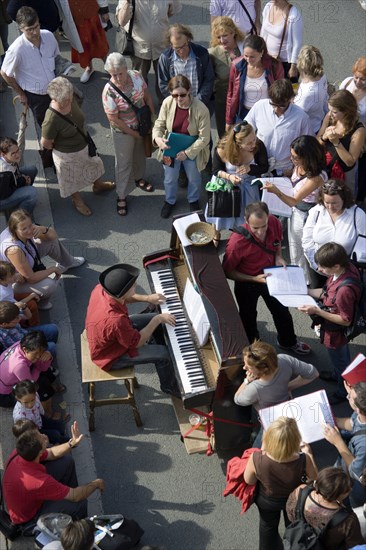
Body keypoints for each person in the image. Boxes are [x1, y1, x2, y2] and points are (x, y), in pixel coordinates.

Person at [222, 201, 311, 355]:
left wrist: (278, 257)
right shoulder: (236, 243)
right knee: (248, 317)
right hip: (247, 282)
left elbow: (276, 243)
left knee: (282, 311)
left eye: (264, 226)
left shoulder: (274, 222)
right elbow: (228, 272)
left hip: (272, 276)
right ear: (246, 220)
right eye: (255, 228)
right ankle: (254, 348)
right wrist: (254, 279)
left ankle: (288, 341)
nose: (261, 232)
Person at [85, 263, 180, 397]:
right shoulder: (116, 321)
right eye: (133, 286)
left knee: (155, 319)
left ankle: (153, 342)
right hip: (110, 356)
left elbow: (124, 297)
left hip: (114, 331)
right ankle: (169, 387)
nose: (136, 285)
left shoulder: (101, 289)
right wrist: (157, 319)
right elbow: (136, 343)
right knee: (163, 355)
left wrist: (147, 298)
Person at [3, 422, 104, 524]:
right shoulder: (39, 481)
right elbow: (76, 496)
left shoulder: (22, 451)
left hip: (27, 498)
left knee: (67, 461)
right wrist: (96, 484)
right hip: (30, 517)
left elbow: (51, 453)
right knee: (80, 502)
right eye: (41, 437)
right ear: (40, 452)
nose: (43, 435)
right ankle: (80, 529)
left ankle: (65, 493)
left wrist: (72, 443)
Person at [298, 242, 362, 405]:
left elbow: (345, 320)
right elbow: (326, 293)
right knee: (340, 360)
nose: (319, 270)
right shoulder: (344, 271)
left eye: (323, 267)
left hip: (335, 334)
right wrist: (306, 292)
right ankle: (336, 375)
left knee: (341, 362)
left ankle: (342, 391)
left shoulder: (344, 292)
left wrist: (317, 311)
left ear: (336, 266)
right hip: (334, 331)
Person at [41, 76, 115, 217]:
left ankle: (97, 185)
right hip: (66, 154)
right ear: (55, 99)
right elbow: (45, 143)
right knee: (71, 179)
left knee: (93, 164)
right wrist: (62, 145)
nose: (69, 100)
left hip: (83, 144)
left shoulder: (70, 98)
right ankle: (77, 201)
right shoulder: (51, 119)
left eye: (70, 96)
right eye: (66, 100)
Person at [244, 416, 317, 550]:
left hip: (267, 501)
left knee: (267, 526)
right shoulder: (303, 459)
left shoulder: (256, 458)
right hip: (294, 500)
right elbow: (313, 478)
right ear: (296, 439)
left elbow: (249, 480)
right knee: (292, 526)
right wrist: (310, 454)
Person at [261, 135, 327, 282]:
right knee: (295, 248)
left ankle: (309, 282)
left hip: (307, 215)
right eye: (291, 156)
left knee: (305, 249)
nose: (292, 160)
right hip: (296, 212)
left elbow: (294, 200)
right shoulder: (299, 165)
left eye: (295, 157)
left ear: (307, 157)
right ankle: (300, 278)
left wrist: (276, 191)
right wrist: (289, 174)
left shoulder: (317, 177)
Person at [234, 340, 318, 445]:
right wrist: (288, 387)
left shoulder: (255, 388)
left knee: (259, 448)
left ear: (263, 369)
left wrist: (246, 381)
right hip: (289, 408)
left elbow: (238, 399)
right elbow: (313, 373)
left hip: (270, 420)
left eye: (249, 367)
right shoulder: (284, 359)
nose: (244, 368)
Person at [102, 52, 155, 217]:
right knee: (124, 163)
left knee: (139, 155)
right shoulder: (109, 92)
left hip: (141, 125)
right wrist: (132, 133)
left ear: (126, 68)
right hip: (123, 131)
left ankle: (139, 178)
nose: (117, 77)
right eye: (113, 74)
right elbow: (114, 119)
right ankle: (122, 194)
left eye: (120, 73)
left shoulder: (137, 75)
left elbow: (146, 96)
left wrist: (153, 116)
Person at [0, 209, 85, 310]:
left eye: (30, 225)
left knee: (50, 240)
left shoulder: (23, 227)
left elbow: (54, 237)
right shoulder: (13, 250)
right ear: (14, 230)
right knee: (48, 285)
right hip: (12, 281)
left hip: (27, 258)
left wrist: (43, 229)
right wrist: (52, 269)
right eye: (24, 229)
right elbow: (31, 278)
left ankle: (68, 262)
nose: (29, 230)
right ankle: (41, 302)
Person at [153, 74, 210, 218]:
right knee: (169, 178)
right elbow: (159, 124)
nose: (179, 99)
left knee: (194, 178)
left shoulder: (201, 109)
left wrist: (187, 153)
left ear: (189, 90)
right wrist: (158, 139)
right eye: (175, 95)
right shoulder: (167, 103)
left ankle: (193, 199)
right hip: (170, 148)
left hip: (192, 150)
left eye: (182, 95)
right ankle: (169, 201)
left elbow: (204, 138)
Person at [205, 121, 268, 242]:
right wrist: (230, 177)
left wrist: (251, 168)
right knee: (220, 212)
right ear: (238, 144)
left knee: (245, 215)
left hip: (248, 186)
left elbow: (264, 166)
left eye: (254, 139)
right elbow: (216, 170)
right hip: (225, 183)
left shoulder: (258, 146)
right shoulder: (222, 148)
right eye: (249, 143)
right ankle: (216, 233)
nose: (254, 144)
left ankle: (242, 236)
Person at [302, 180, 366, 288]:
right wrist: (317, 266)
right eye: (327, 203)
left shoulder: (357, 214)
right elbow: (307, 241)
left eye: (335, 203)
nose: (330, 207)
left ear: (344, 199)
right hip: (318, 270)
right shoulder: (315, 212)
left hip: (346, 272)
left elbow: (364, 244)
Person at [0, 7, 59, 126]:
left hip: (56, 90)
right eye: (30, 29)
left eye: (37, 26)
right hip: (37, 98)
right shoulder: (16, 49)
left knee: (63, 122)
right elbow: (5, 73)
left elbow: (57, 58)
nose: (35, 32)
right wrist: (21, 94)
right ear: (21, 29)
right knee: (47, 126)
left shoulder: (48, 36)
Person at [116, 0, 182, 104]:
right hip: (139, 49)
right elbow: (122, 21)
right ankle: (144, 105)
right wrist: (127, 2)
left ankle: (165, 104)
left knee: (164, 79)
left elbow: (172, 11)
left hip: (162, 47)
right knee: (140, 81)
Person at [245, 79, 313, 174]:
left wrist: (295, 169)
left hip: (285, 170)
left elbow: (307, 148)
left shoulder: (301, 117)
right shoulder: (259, 106)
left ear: (290, 99)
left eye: (281, 106)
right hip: (258, 165)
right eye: (273, 104)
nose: (277, 109)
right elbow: (245, 131)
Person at [286, 467, 365, 550]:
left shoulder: (300, 492)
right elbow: (355, 546)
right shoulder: (348, 520)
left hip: (299, 542)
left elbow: (290, 514)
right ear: (339, 494)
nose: (351, 489)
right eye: (348, 489)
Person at [225, 34, 284, 129]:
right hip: (243, 114)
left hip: (267, 114)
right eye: (246, 55)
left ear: (262, 53)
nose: (248, 60)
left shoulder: (274, 66)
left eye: (252, 57)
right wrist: (229, 120)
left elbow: (281, 92)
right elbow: (231, 94)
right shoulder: (236, 66)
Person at [323, 385, 366, 507]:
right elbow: (353, 424)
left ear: (358, 409)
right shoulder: (362, 415)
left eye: (350, 397)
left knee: (351, 500)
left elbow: (356, 472)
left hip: (357, 483)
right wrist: (334, 420)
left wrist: (338, 442)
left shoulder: (363, 444)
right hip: (347, 459)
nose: (347, 397)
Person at [158, 23, 215, 115]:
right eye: (177, 48)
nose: (181, 50)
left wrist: (198, 102)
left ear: (188, 39)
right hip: (178, 106)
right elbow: (163, 84)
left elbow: (208, 79)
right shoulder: (165, 58)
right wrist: (178, 99)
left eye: (183, 46)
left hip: (201, 104)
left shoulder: (201, 53)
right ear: (171, 45)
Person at [0, 331, 64, 411]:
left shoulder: (24, 345)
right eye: (35, 354)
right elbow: (30, 385)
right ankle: (47, 411)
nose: (38, 356)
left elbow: (42, 367)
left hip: (16, 376)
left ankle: (50, 388)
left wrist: (48, 357)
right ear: (25, 350)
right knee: (41, 383)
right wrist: (39, 367)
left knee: (42, 367)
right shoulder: (19, 366)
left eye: (41, 353)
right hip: (5, 395)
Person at [317, 89, 365, 193]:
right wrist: (324, 137)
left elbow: (350, 161)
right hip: (325, 167)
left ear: (347, 111)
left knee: (343, 202)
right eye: (329, 110)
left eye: (334, 112)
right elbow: (317, 142)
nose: (331, 114)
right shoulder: (329, 117)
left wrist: (336, 142)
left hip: (344, 174)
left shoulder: (359, 130)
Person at [208, 16, 245, 137]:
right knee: (224, 137)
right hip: (222, 102)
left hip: (243, 102)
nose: (222, 40)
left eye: (225, 35)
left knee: (243, 136)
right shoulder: (212, 53)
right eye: (218, 37)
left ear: (233, 32)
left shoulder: (245, 48)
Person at [340, 57, 366, 203]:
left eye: (362, 79)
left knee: (359, 171)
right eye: (356, 77)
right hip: (343, 132)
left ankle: (357, 200)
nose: (357, 82)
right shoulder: (347, 83)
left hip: (361, 137)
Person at [66, 0, 109, 83]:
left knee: (99, 43)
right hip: (74, 18)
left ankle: (108, 65)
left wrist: (104, 10)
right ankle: (89, 67)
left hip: (91, 14)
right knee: (83, 46)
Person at [13, 380, 67, 444]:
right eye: (26, 402)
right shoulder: (19, 416)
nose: (30, 404)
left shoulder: (35, 395)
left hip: (39, 418)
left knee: (60, 425)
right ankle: (63, 442)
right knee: (55, 435)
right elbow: (27, 432)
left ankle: (62, 435)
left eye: (33, 400)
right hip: (35, 430)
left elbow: (39, 406)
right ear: (18, 399)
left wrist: (43, 413)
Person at [260, 0, 303, 80]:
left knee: (284, 91)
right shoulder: (268, 6)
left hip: (284, 64)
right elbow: (263, 32)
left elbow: (297, 43)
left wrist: (293, 67)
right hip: (267, 59)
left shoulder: (294, 14)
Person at [294, 45, 328, 133]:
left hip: (308, 130)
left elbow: (296, 115)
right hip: (318, 120)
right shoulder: (322, 76)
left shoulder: (307, 94)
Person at [0, 136, 38, 216]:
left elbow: (14, 173)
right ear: (3, 155)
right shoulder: (3, 173)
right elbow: (5, 194)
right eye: (13, 153)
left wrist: (21, 177)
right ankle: (20, 219)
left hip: (10, 184)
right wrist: (23, 181)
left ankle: (24, 201)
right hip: (2, 198)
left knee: (32, 169)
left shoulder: (9, 159)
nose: (17, 155)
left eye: (17, 151)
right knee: (32, 192)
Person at [0, 261, 41, 327]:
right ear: (1, 280)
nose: (14, 276)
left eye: (13, 273)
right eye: (11, 276)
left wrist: (17, 276)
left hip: (11, 300)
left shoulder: (5, 281)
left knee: (31, 298)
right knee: (32, 304)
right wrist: (31, 296)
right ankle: (34, 326)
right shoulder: (2, 294)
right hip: (10, 309)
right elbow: (17, 305)